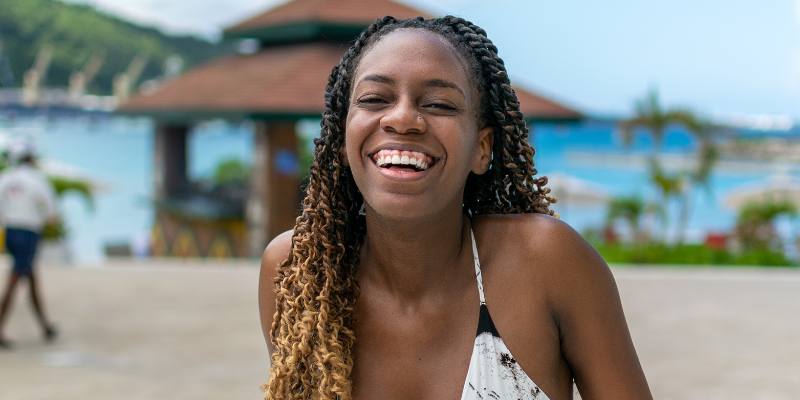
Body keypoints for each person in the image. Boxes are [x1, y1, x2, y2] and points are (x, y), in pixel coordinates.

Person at [259, 16, 652, 399]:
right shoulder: (297, 271)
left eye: (440, 104)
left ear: (482, 149)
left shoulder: (546, 261)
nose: (403, 118)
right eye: (375, 99)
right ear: (343, 136)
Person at [0, 141, 58, 349]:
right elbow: (51, 210)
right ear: (30, 158)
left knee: (30, 276)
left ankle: (45, 326)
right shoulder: (37, 179)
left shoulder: (5, 178)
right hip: (29, 232)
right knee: (15, 278)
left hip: (10, 232)